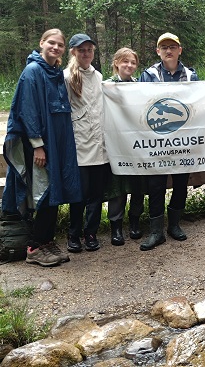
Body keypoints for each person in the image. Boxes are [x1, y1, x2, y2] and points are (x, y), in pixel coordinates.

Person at [3, 29, 81, 266]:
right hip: (39, 146)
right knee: (44, 191)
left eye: (59, 44)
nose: (55, 47)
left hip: (55, 145)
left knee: (54, 190)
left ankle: (46, 241)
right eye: (51, 43)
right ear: (41, 43)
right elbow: (27, 110)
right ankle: (34, 247)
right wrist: (38, 146)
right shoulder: (33, 71)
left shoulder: (55, 72)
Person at [138, 32, 199, 251]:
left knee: (181, 183)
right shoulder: (149, 75)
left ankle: (174, 224)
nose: (169, 50)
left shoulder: (191, 75)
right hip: (157, 142)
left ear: (180, 50)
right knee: (155, 186)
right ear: (158, 51)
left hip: (183, 142)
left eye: (173, 46)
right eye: (164, 47)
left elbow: (200, 104)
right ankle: (156, 231)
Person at [63, 33, 109, 253]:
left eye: (89, 49)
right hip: (79, 145)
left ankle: (91, 233)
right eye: (82, 50)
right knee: (79, 195)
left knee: (96, 196)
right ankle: (73, 234)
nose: (86, 53)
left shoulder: (99, 77)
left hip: (99, 146)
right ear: (73, 52)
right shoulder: (66, 77)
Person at [105, 47, 146, 246]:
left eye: (133, 62)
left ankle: (135, 222)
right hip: (117, 145)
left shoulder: (139, 86)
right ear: (116, 63)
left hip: (137, 146)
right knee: (118, 188)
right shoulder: (107, 86)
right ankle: (116, 226)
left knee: (138, 187)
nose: (129, 66)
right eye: (125, 62)